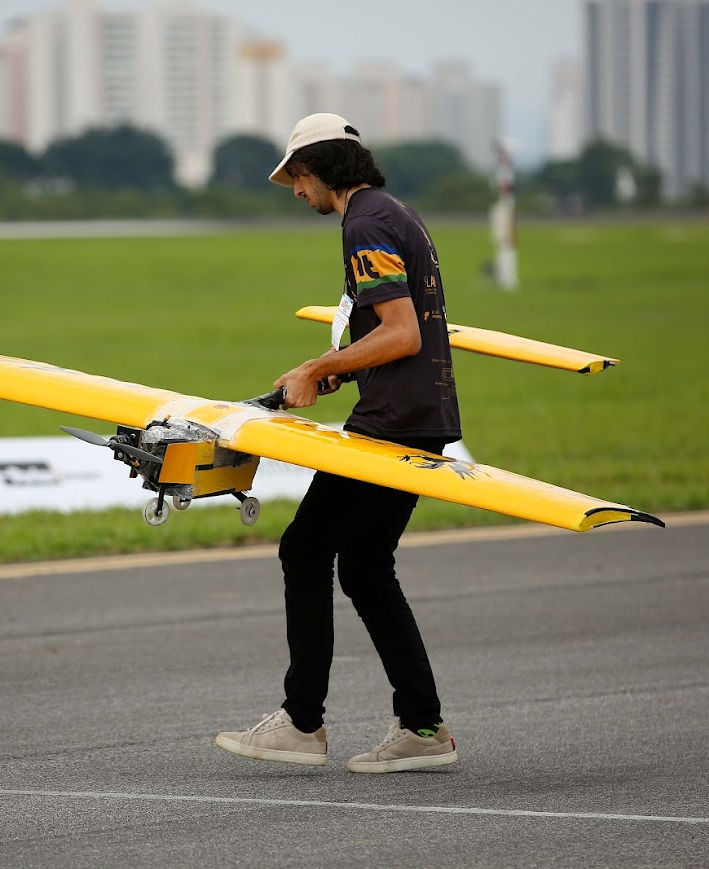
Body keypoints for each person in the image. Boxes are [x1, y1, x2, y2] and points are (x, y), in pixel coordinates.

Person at [214, 113, 462, 773]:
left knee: (305, 549)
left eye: (298, 177)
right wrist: (343, 370)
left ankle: (302, 723)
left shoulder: (366, 223)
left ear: (322, 169)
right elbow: (394, 332)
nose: (297, 191)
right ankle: (422, 724)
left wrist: (318, 365)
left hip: (394, 421)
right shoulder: (393, 212)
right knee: (363, 565)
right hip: (418, 413)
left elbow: (403, 332)